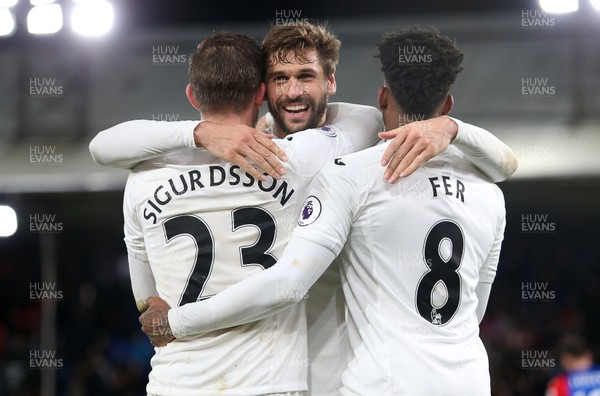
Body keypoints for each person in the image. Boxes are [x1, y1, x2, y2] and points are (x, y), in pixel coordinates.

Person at [90, 23, 517, 396]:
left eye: (306, 76)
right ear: (263, 90)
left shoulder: (355, 137)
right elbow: (501, 169)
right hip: (271, 373)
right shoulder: (311, 151)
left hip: (333, 375)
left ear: (331, 81)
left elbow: (105, 148)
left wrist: (447, 128)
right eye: (280, 78)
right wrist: (204, 133)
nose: (293, 90)